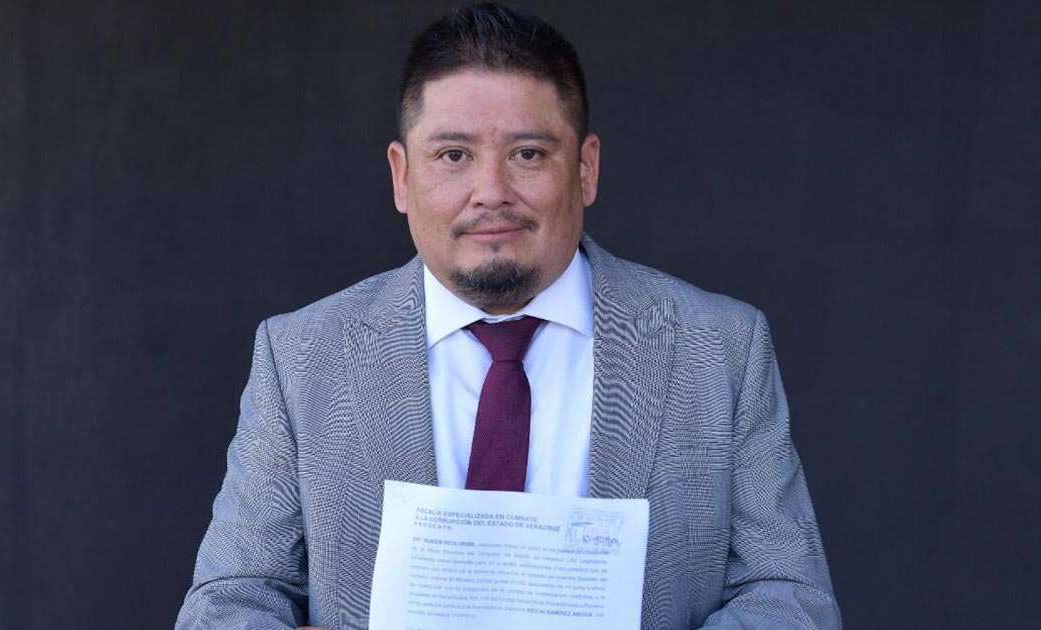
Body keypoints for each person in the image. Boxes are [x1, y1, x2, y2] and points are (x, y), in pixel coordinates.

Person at [175, 3, 841, 629]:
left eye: (528, 153)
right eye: (453, 155)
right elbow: (228, 604)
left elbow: (791, 598)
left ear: (585, 168)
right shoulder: (300, 358)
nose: (491, 192)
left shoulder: (720, 349)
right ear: (401, 176)